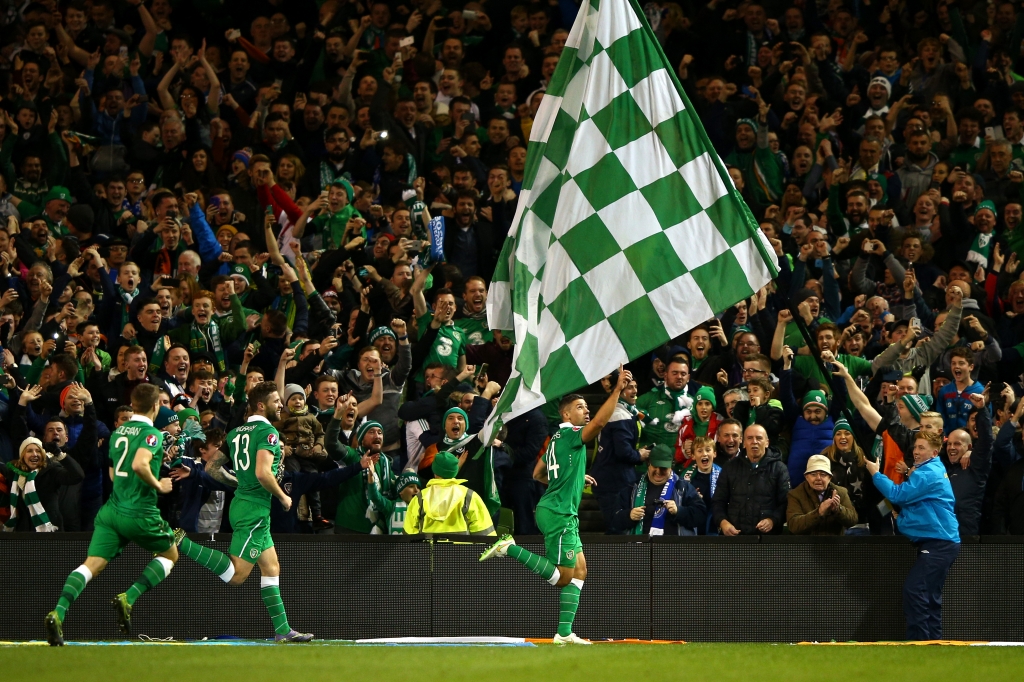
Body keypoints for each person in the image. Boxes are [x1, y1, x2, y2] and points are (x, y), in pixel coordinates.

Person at [479, 367, 634, 645]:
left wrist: (573, 477)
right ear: (566, 415)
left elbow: (538, 473)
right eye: (580, 407)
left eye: (586, 406)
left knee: (581, 569)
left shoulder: (554, 441)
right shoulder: (574, 434)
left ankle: (564, 633)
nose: (586, 411)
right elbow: (599, 424)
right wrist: (617, 390)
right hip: (559, 514)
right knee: (563, 578)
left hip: (557, 510)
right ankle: (509, 547)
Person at [172, 381, 313, 642]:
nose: (280, 404)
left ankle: (283, 630)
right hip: (254, 511)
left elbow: (213, 468)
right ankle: (183, 543)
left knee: (271, 567)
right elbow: (262, 473)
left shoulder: (236, 432)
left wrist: (238, 483)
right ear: (261, 405)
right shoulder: (268, 433)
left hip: (245, 504)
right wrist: (282, 496)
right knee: (237, 576)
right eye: (275, 401)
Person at [44, 385, 177, 646]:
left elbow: (115, 473)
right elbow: (139, 464)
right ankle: (129, 596)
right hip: (140, 512)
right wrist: (159, 484)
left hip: (111, 510)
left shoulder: (118, 433)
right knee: (170, 554)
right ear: (156, 407)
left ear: (133, 403)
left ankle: (58, 612)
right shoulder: (152, 434)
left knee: (90, 564)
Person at [866, 432, 960, 640]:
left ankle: (920, 642)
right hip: (942, 541)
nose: (916, 452)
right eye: (915, 447)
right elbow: (918, 504)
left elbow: (898, 495)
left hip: (938, 543)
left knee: (914, 590)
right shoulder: (930, 470)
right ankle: (933, 644)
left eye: (921, 448)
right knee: (930, 596)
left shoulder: (927, 473)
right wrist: (903, 518)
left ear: (934, 452)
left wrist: (875, 474)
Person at [712, 424, 790, 535]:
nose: (754, 441)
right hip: (735, 537)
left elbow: (786, 503)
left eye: (759, 438)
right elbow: (718, 501)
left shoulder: (779, 468)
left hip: (767, 539)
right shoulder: (729, 467)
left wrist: (773, 520)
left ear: (767, 442)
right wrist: (723, 522)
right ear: (743, 443)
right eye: (749, 438)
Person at [614, 444, 706, 535]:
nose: (658, 471)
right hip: (640, 547)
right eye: (655, 466)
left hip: (674, 547)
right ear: (648, 464)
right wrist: (628, 516)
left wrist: (679, 511)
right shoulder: (632, 488)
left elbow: (700, 515)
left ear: (671, 466)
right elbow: (614, 520)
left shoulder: (683, 487)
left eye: (663, 468)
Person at [403, 451, 495, 535]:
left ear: (434, 471)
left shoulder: (420, 498)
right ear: (454, 471)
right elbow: (485, 534)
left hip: (429, 552)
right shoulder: (469, 496)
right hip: (462, 552)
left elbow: (409, 536)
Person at [786, 455, 858, 535]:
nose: (818, 478)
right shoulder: (795, 494)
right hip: (806, 545)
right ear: (806, 477)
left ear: (830, 478)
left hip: (834, 545)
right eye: (813, 474)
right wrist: (818, 512)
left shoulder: (841, 492)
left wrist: (838, 510)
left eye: (823, 474)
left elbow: (853, 520)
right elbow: (793, 526)